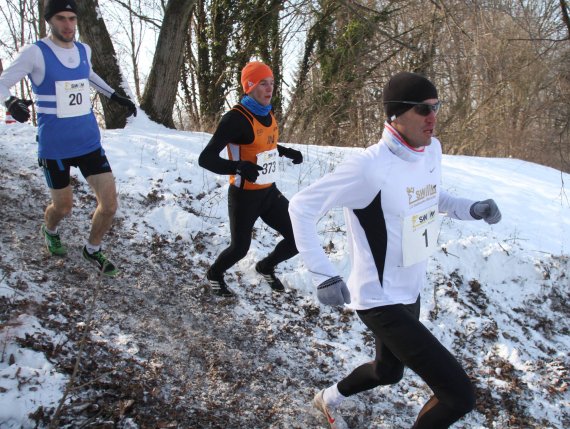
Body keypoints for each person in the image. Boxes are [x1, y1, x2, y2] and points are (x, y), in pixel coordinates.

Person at [289, 72, 502, 429]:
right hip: (377, 299)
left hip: (410, 289)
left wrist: (471, 208)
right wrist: (323, 273)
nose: (433, 117)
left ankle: (326, 398)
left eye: (436, 107)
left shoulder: (430, 149)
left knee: (388, 371)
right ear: (395, 115)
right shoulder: (368, 167)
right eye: (423, 109)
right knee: (457, 395)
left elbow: (431, 196)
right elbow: (301, 207)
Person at [0, 0, 136, 277]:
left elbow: (88, 75)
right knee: (63, 208)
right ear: (50, 21)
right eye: (61, 18)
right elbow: (2, 83)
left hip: (88, 141)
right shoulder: (35, 53)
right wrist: (11, 102)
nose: (68, 25)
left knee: (109, 205)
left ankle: (92, 249)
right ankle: (49, 229)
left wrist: (114, 95)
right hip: (55, 147)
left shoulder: (83, 50)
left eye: (72, 18)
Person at [198, 61, 303, 297]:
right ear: (249, 86)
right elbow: (205, 159)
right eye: (262, 83)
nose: (269, 89)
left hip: (268, 191)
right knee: (239, 249)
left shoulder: (268, 111)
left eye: (272, 83)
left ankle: (266, 266)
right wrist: (238, 167)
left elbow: (266, 144)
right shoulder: (235, 119)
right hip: (244, 196)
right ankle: (214, 273)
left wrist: (286, 152)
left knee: (298, 237)